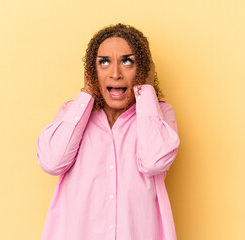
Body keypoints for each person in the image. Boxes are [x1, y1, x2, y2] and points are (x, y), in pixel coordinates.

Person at [36, 23, 180, 240]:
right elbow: (52, 162)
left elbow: (153, 161)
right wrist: (87, 94)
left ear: (143, 70)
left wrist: (145, 91)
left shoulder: (158, 115)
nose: (115, 73)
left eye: (127, 61)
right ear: (92, 72)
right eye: (104, 63)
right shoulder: (71, 113)